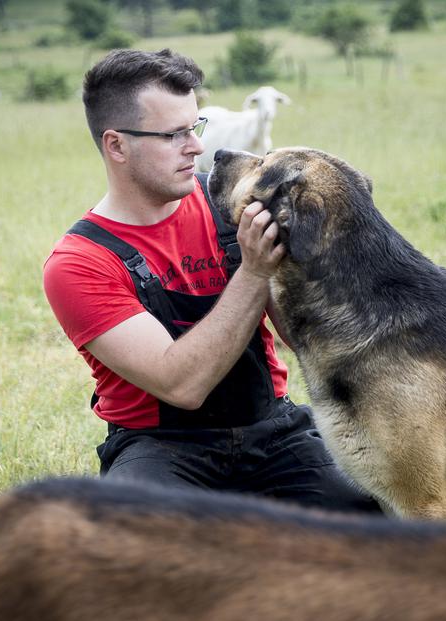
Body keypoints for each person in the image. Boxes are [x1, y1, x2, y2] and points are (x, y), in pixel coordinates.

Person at [43, 48, 380, 514]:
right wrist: (256, 270)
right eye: (173, 135)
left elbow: (301, 336)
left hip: (273, 430)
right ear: (116, 145)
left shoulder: (230, 197)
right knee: (136, 539)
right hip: (162, 448)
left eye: (193, 127)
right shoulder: (80, 263)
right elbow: (181, 384)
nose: (197, 147)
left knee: (376, 512)